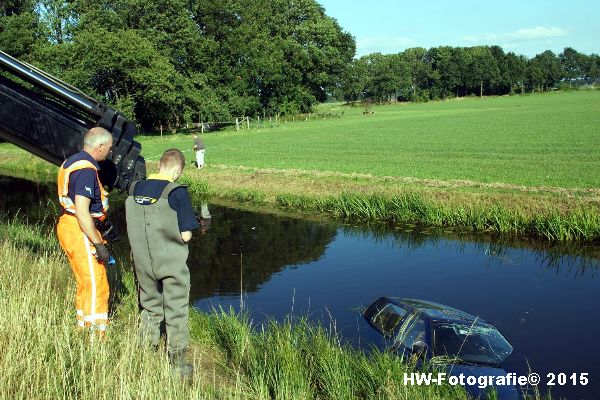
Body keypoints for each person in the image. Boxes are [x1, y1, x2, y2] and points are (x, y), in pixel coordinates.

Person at [125, 148, 199, 377]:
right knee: (176, 308)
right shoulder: (176, 192)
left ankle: (144, 351)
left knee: (149, 306)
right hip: (170, 263)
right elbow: (186, 235)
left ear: (160, 165)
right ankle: (177, 361)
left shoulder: (134, 189)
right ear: (177, 169)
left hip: (143, 261)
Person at [56, 127, 113, 335]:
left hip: (69, 226)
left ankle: (83, 328)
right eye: (108, 148)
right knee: (96, 282)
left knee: (84, 281)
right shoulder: (87, 170)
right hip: (79, 229)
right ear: (99, 146)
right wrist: (99, 244)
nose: (109, 152)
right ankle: (96, 336)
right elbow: (82, 211)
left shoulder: (72, 161)